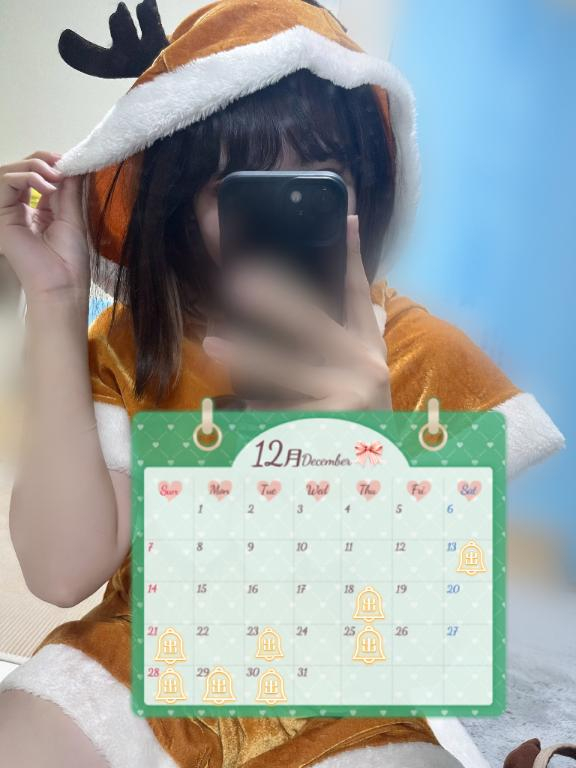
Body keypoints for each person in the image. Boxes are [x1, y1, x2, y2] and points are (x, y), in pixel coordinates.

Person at [0, 1, 564, 767]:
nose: (282, 209)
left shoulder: (426, 358)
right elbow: (61, 572)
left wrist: (371, 450)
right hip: (151, 661)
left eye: (320, 179)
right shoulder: (142, 347)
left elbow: (434, 643)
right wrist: (56, 298)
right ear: (184, 203)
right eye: (240, 188)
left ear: (363, 189)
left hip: (355, 703)